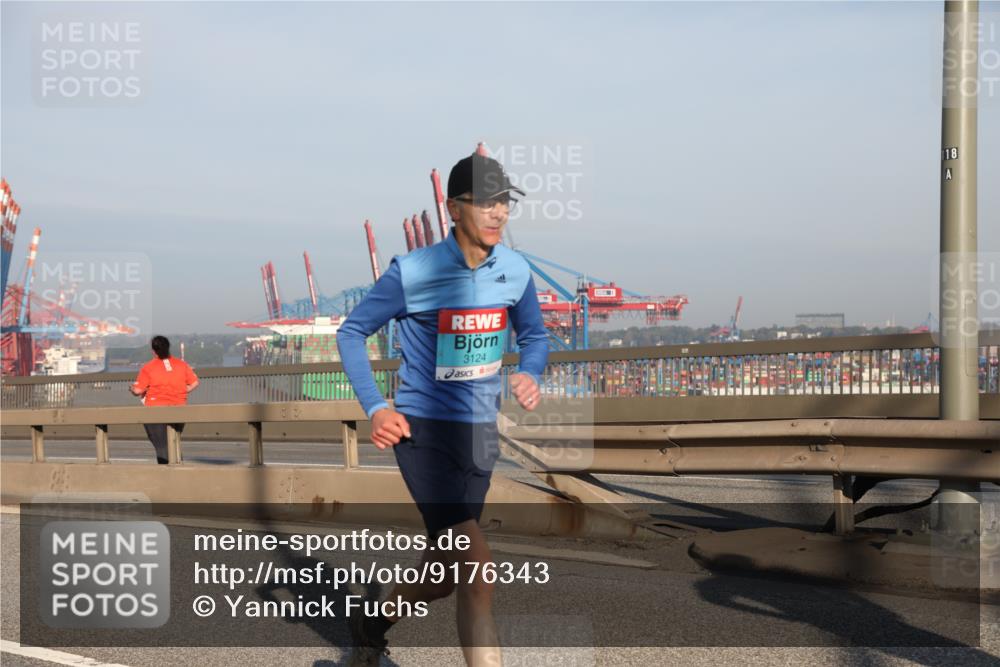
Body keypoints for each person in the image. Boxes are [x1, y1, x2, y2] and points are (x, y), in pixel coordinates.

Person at [336, 150, 549, 666]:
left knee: (445, 574)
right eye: (485, 203)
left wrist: (530, 371)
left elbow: (535, 335)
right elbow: (352, 332)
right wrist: (376, 407)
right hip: (424, 433)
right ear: (453, 208)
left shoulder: (515, 269)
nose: (498, 213)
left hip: (480, 435)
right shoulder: (413, 271)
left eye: (505, 203)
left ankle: (374, 621)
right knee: (478, 569)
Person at [129, 336, 199, 464]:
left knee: (162, 445)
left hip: (155, 410)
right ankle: (178, 468)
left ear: (153, 350)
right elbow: (194, 383)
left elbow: (138, 391)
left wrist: (131, 388)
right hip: (179, 408)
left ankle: (167, 471)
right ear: (168, 347)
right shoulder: (181, 364)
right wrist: (182, 391)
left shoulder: (148, 367)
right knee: (174, 442)